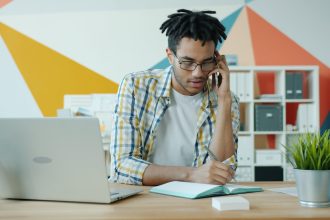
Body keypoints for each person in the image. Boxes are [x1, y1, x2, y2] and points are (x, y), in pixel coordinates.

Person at [110, 9, 240, 186]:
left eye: (207, 62)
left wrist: (224, 101)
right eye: (187, 62)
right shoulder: (136, 86)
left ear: (217, 60)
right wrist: (191, 175)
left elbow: (224, 171)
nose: (198, 73)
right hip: (145, 199)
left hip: (200, 203)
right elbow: (121, 166)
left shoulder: (226, 99)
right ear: (170, 56)